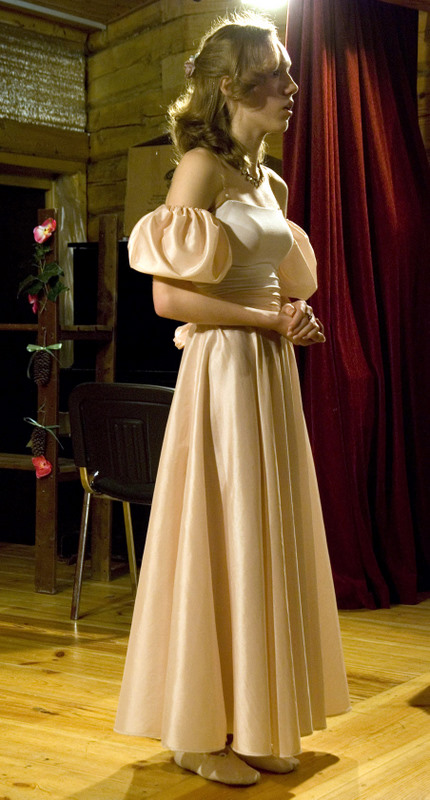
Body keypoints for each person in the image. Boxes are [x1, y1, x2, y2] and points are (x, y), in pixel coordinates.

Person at [115, 12, 350, 787]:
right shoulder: (199, 168)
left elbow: (277, 284)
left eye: (287, 73)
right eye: (275, 74)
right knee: (222, 533)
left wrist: (294, 318)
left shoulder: (269, 183)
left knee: (260, 535)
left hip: (269, 373)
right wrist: (269, 321)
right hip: (223, 373)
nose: (291, 86)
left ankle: (250, 720)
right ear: (229, 85)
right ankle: (195, 732)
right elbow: (168, 300)